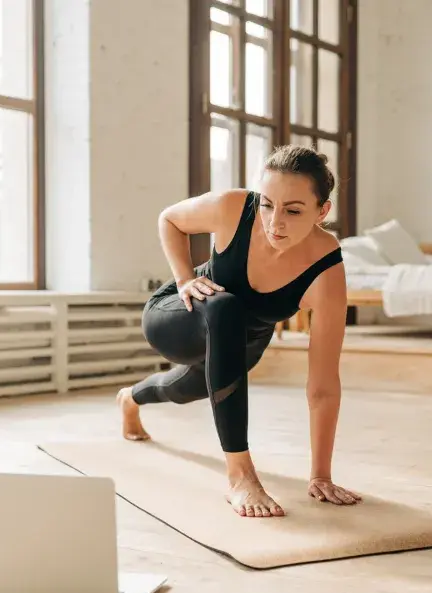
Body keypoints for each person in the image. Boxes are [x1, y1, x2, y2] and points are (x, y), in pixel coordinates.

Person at [115, 144, 361, 518]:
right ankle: (240, 476)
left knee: (182, 389)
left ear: (322, 211)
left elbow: (323, 384)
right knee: (226, 307)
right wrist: (184, 279)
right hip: (179, 315)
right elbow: (170, 219)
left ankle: (130, 399)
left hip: (241, 345)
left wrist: (320, 475)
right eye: (267, 204)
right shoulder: (233, 206)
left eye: (293, 211)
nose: (274, 222)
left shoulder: (326, 270)